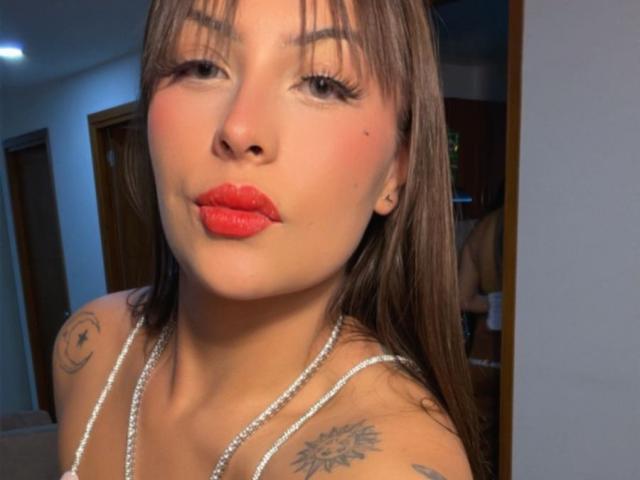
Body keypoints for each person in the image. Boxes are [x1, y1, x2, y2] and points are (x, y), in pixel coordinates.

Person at [53, 1, 486, 479]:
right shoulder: (90, 347)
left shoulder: (386, 467)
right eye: (202, 66)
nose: (239, 130)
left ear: (396, 170)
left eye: (321, 83)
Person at [458, 193, 505, 478]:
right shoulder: (524, 223)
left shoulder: (481, 230)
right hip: (516, 354)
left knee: (480, 445)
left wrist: (494, 303)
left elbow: (462, 299)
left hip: (481, 354)